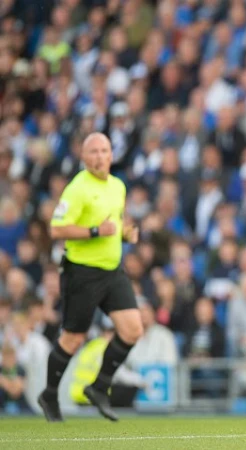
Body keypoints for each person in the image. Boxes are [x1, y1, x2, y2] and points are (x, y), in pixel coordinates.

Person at [38, 132, 144, 423]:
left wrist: (126, 233)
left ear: (112, 155)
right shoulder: (77, 188)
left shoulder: (118, 186)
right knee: (73, 338)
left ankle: (99, 387)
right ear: (84, 157)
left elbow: (116, 221)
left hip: (112, 270)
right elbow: (57, 229)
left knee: (133, 329)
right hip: (82, 273)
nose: (99, 156)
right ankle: (49, 394)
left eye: (104, 150)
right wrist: (95, 231)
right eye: (93, 151)